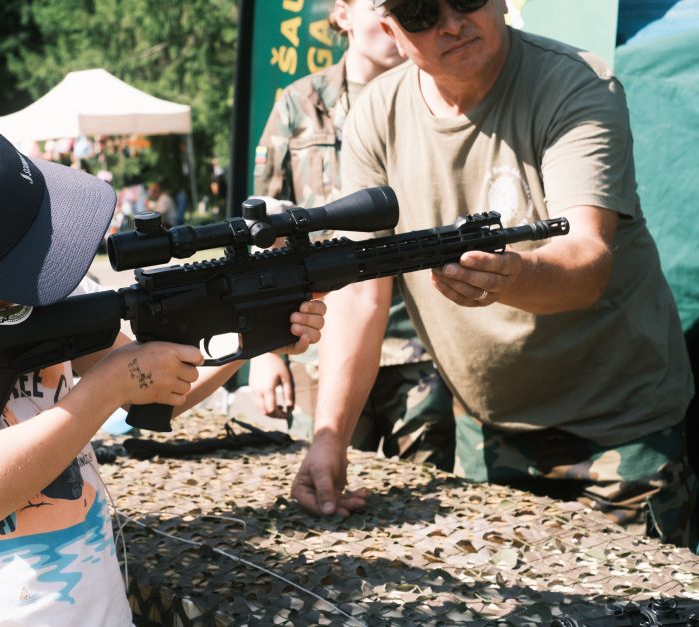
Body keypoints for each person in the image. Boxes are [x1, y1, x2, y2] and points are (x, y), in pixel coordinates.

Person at [0, 119, 326, 624]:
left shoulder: (44, 290)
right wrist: (111, 381)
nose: (43, 268)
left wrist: (252, 335)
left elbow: (156, 390)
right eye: (21, 264)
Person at [290, 0, 697, 550]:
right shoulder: (376, 115)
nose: (452, 23)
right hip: (487, 435)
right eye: (419, 13)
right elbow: (362, 294)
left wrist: (511, 277)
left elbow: (587, 261)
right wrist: (330, 437)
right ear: (390, 28)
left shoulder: (574, 83)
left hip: (619, 435)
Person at [250, 0, 454, 467]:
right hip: (323, 340)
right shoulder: (300, 103)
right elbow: (261, 232)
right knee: (323, 490)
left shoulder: (435, 98)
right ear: (343, 15)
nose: (393, 17)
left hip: (416, 344)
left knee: (427, 499)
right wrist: (264, 352)